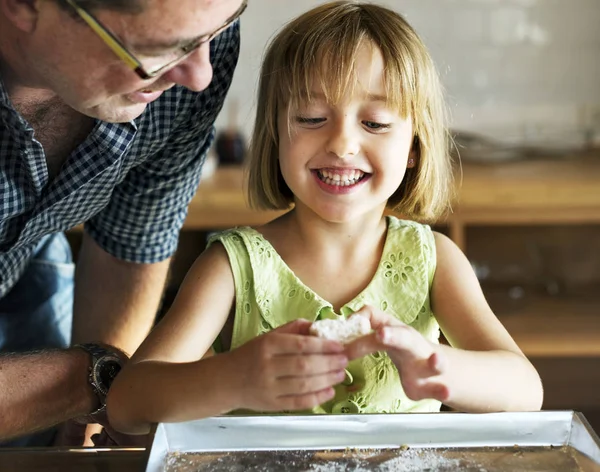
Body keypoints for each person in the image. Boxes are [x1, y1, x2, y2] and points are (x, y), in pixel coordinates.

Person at [107, 0, 544, 435]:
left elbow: (525, 390)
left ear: (414, 147)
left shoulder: (435, 260)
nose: (342, 144)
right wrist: (233, 379)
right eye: (312, 117)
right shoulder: (232, 266)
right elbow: (128, 403)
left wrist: (437, 367)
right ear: (276, 133)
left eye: (374, 123)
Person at [0, 0, 245, 446]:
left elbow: (132, 241)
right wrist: (89, 378)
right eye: (159, 49)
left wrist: (87, 424)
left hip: (25, 268)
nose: (200, 75)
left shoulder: (199, 39)